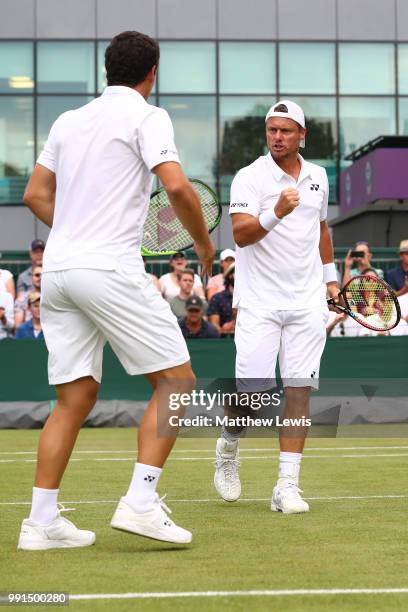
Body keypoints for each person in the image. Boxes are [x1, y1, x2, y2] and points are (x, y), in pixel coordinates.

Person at [19, 30, 215, 551]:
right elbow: (175, 186)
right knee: (178, 381)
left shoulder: (68, 120)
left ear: (108, 70)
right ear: (153, 73)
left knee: (74, 396)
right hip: (106, 267)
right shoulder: (148, 116)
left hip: (60, 272)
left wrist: (75, 233)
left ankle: (40, 523)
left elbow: (35, 194)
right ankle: (141, 502)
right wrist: (203, 245)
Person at [213, 100, 339, 513]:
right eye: (272, 131)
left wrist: (331, 278)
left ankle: (286, 485)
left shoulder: (318, 176)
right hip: (260, 301)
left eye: (286, 131)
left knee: (299, 390)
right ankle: (229, 445)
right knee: (252, 395)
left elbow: (320, 228)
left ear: (302, 135)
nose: (278, 137)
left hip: (306, 302)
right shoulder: (249, 177)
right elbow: (242, 234)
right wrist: (276, 212)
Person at [207, 262, 235, 335]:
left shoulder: (251, 298)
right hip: (224, 341)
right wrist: (224, 329)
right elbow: (214, 326)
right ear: (230, 275)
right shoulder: (217, 298)